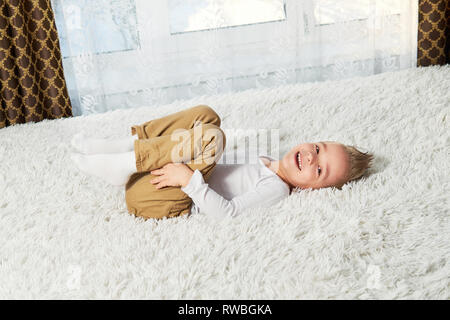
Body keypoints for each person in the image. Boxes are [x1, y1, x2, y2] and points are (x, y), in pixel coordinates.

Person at [70, 105, 373, 220]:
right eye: (317, 148)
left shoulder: (277, 188)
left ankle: (124, 164)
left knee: (213, 138)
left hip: (158, 198)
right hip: (155, 175)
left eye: (318, 169)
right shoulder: (266, 158)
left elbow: (228, 214)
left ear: (315, 189)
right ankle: (127, 148)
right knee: (207, 116)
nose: (310, 157)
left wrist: (188, 181)